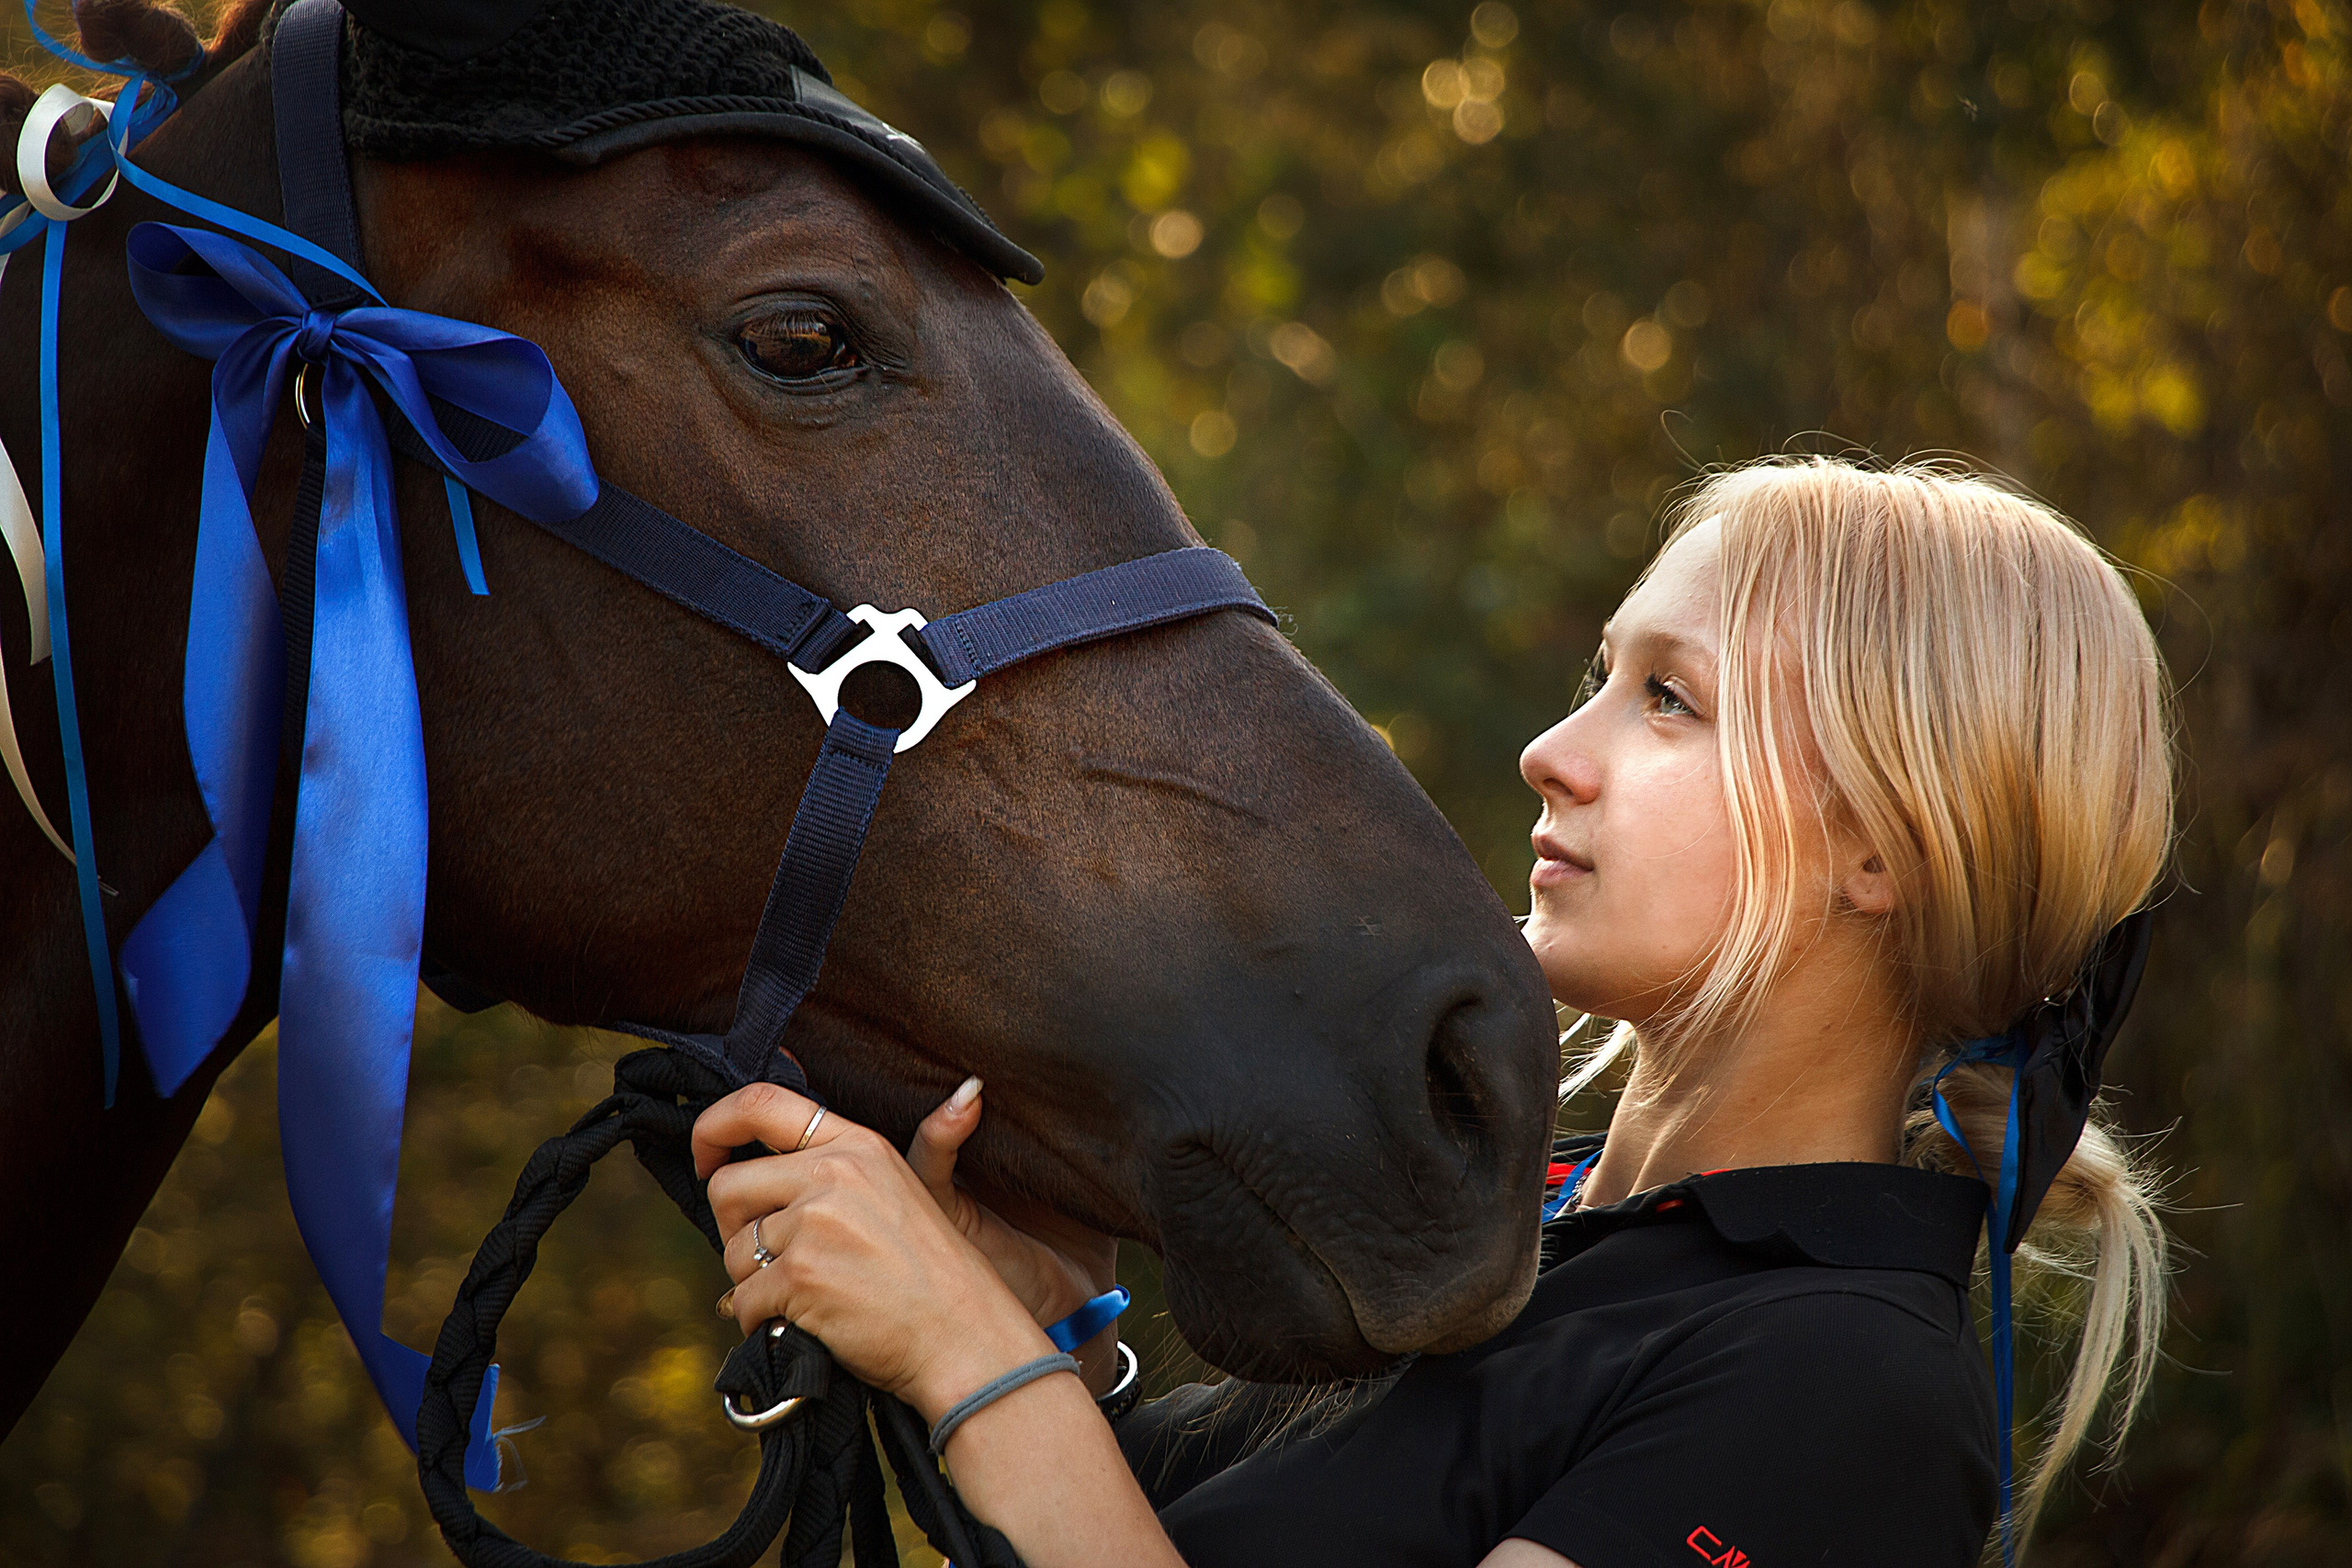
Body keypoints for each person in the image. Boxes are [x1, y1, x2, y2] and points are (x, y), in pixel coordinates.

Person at [689, 457, 2175, 1567]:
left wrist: (973, 1359)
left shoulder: (1842, 1385)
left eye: (1670, 699)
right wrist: (1049, 1329)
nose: (1553, 751)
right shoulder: (1530, 1238)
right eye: (1601, 676)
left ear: (1880, 851)